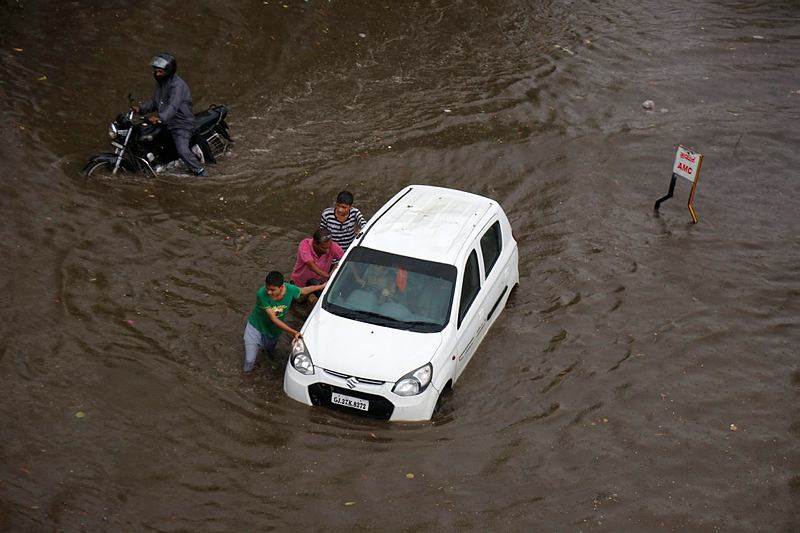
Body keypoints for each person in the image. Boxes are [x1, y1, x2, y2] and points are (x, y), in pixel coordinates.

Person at [133, 53, 205, 177]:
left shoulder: (178, 86)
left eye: (160, 72)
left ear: (168, 72)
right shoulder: (161, 84)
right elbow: (155, 102)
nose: (156, 74)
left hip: (181, 123)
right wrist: (140, 109)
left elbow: (173, 106)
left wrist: (160, 118)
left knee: (182, 150)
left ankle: (200, 172)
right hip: (166, 122)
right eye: (155, 71)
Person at [243, 270, 325, 373]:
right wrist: (293, 332)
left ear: (281, 287)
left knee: (270, 351)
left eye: (272, 290)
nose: (269, 292)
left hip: (273, 331)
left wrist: (321, 287)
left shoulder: (290, 290)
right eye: (267, 289)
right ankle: (246, 375)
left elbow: (303, 290)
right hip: (255, 327)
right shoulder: (261, 294)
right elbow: (274, 318)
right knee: (249, 360)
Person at [291, 228, 344, 302]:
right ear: (315, 243)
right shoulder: (304, 244)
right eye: (323, 248)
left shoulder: (332, 246)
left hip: (320, 283)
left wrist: (357, 278)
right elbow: (311, 265)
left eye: (329, 247)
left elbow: (345, 258)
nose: (327, 250)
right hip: (301, 283)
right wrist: (328, 275)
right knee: (300, 300)